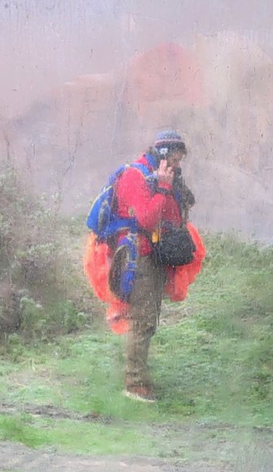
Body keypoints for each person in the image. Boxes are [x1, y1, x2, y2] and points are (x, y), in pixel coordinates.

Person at [112, 130, 196, 403]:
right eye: (174, 158)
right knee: (143, 320)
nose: (178, 164)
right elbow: (147, 219)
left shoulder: (164, 178)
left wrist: (171, 186)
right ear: (162, 154)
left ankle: (139, 379)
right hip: (140, 258)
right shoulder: (135, 177)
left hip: (156, 256)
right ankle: (135, 385)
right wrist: (162, 187)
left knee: (148, 321)